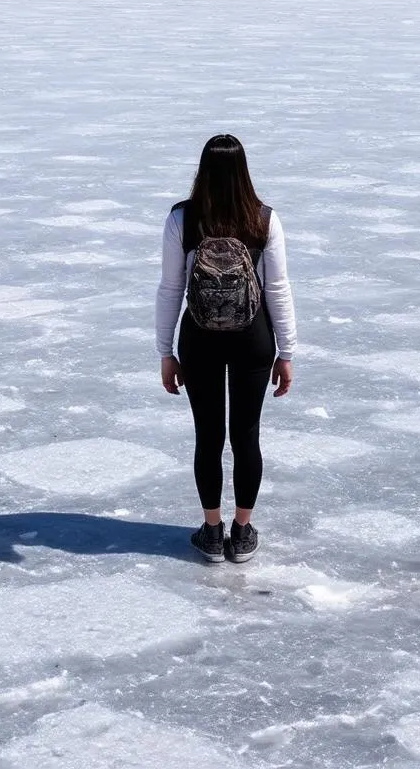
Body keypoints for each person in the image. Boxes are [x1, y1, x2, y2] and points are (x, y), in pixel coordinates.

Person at [155, 134, 297, 563]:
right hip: (253, 339)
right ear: (243, 170)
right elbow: (278, 289)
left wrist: (166, 351)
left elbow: (170, 289)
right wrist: (286, 352)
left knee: (209, 436)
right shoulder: (263, 219)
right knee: (246, 435)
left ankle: (213, 533)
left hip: (199, 339)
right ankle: (243, 529)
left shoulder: (183, 218)